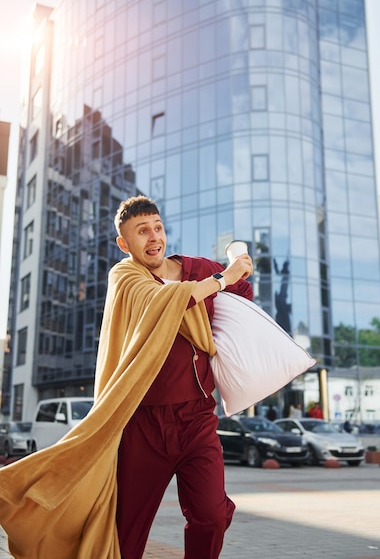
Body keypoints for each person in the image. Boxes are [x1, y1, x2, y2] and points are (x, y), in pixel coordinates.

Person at [113, 195, 254, 559]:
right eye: (142, 231)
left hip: (197, 419)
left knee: (210, 516)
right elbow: (162, 299)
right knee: (126, 533)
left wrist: (240, 272)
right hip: (144, 422)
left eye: (157, 227)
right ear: (124, 243)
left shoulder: (199, 268)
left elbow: (241, 292)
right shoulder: (127, 276)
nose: (153, 237)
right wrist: (223, 278)